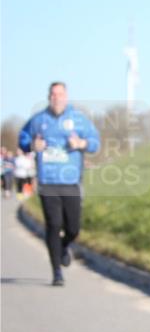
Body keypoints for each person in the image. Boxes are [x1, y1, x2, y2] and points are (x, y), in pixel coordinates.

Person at [19, 82, 101, 286]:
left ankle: (64, 247)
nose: (57, 98)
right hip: (48, 181)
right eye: (53, 94)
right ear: (49, 97)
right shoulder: (38, 120)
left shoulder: (79, 120)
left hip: (71, 181)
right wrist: (31, 145)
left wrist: (82, 144)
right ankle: (56, 271)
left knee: (73, 228)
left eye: (60, 94)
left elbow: (95, 142)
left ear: (66, 96)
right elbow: (23, 138)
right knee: (53, 225)